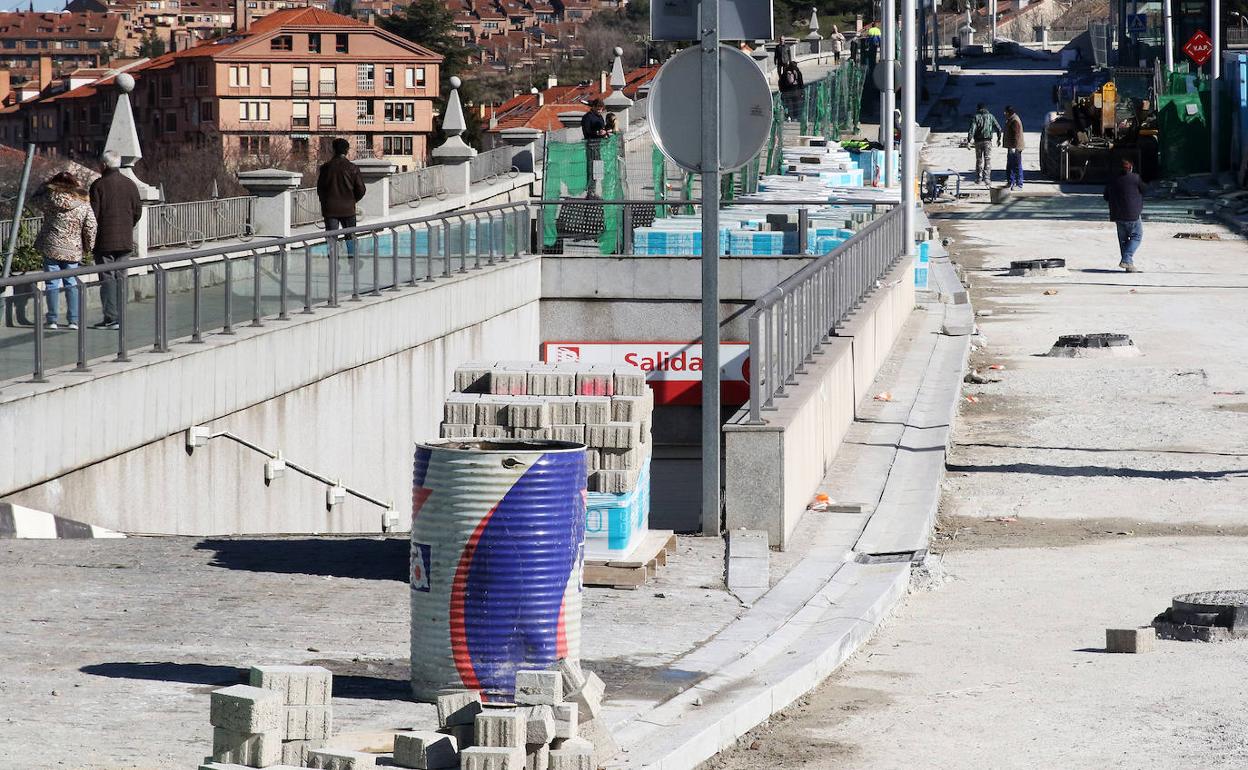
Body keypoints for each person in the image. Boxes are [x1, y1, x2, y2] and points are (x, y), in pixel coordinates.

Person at [34, 172, 96, 331]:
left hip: (51, 247)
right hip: (73, 248)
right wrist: (88, 246)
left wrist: (44, 185)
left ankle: (52, 319)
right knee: (71, 282)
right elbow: (91, 226)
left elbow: (32, 200)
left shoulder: (49, 198)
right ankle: (73, 320)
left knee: (52, 283)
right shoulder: (83, 202)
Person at [88, 150, 141, 330]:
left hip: (104, 242)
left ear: (103, 165)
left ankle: (111, 318)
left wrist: (88, 240)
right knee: (121, 277)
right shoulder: (130, 185)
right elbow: (137, 211)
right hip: (125, 240)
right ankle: (121, 316)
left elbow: (93, 216)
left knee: (107, 279)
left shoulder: (98, 185)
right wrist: (127, 227)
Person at [316, 137, 366, 257]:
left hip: (330, 210)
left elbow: (320, 190)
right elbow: (361, 189)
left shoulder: (325, 168)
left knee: (331, 240)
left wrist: (326, 202)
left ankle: (333, 268)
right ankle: (352, 265)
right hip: (348, 209)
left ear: (333, 150)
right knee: (350, 239)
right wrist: (352, 200)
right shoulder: (352, 168)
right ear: (347, 150)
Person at [1103, 158, 1146, 273]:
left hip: (1117, 215)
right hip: (1133, 214)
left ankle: (1129, 266)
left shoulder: (1112, 180)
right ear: (1131, 168)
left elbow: (1106, 196)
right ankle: (1127, 259)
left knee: (1123, 240)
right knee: (1137, 236)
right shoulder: (1135, 178)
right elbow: (1144, 190)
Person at [967, 103, 1002, 185]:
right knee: (987, 160)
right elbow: (998, 128)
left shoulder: (976, 117)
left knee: (979, 160)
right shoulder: (991, 116)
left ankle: (978, 178)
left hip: (978, 141)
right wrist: (999, 138)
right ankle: (987, 179)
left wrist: (969, 140)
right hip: (988, 141)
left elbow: (972, 129)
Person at [580, 99, 608, 196]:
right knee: (591, 168)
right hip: (591, 145)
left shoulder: (600, 117)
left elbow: (603, 128)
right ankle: (590, 191)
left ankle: (594, 190)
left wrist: (604, 132)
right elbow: (587, 132)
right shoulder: (587, 117)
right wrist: (597, 133)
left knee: (597, 168)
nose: (600, 111)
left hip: (599, 145)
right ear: (594, 107)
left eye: (601, 110)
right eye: (598, 109)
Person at [1002, 106, 1025, 190]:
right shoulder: (1011, 119)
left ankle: (1019, 184)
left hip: (1015, 148)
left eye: (1005, 112)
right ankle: (1010, 182)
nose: (1004, 113)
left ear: (1009, 112)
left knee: (1017, 165)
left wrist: (1014, 148)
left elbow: (1017, 136)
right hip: (1011, 147)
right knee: (1010, 166)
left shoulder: (1014, 120)